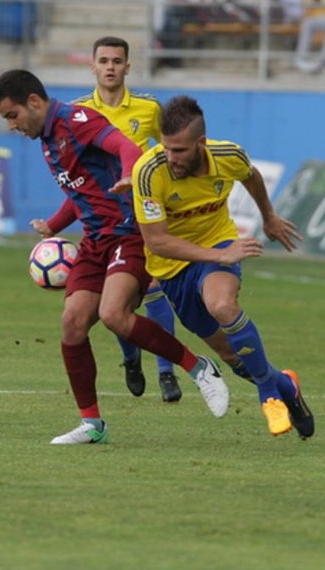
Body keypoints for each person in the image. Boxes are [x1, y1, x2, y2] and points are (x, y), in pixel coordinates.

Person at [0, 69, 231, 445]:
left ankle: (198, 368)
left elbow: (127, 148)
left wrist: (130, 175)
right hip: (95, 239)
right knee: (72, 324)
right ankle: (92, 424)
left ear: (33, 102)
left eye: (12, 115)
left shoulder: (76, 120)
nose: (12, 125)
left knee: (114, 314)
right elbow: (81, 191)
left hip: (129, 231)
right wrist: (53, 225)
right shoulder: (48, 140)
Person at [131, 95, 314, 439]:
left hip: (218, 245)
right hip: (172, 268)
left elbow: (251, 175)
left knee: (222, 305)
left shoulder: (229, 155)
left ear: (201, 142)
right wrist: (218, 257)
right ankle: (286, 386)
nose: (171, 157)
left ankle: (269, 396)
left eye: (180, 150)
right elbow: (156, 242)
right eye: (166, 148)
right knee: (232, 355)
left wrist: (268, 217)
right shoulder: (149, 172)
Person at [31, 37, 185, 403]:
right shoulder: (78, 113)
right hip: (103, 218)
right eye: (104, 61)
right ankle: (131, 358)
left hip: (144, 212)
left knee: (154, 288)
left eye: (117, 61)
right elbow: (79, 186)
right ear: (93, 67)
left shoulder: (149, 108)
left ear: (127, 66)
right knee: (116, 301)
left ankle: (166, 371)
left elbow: (171, 152)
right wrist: (54, 225)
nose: (111, 67)